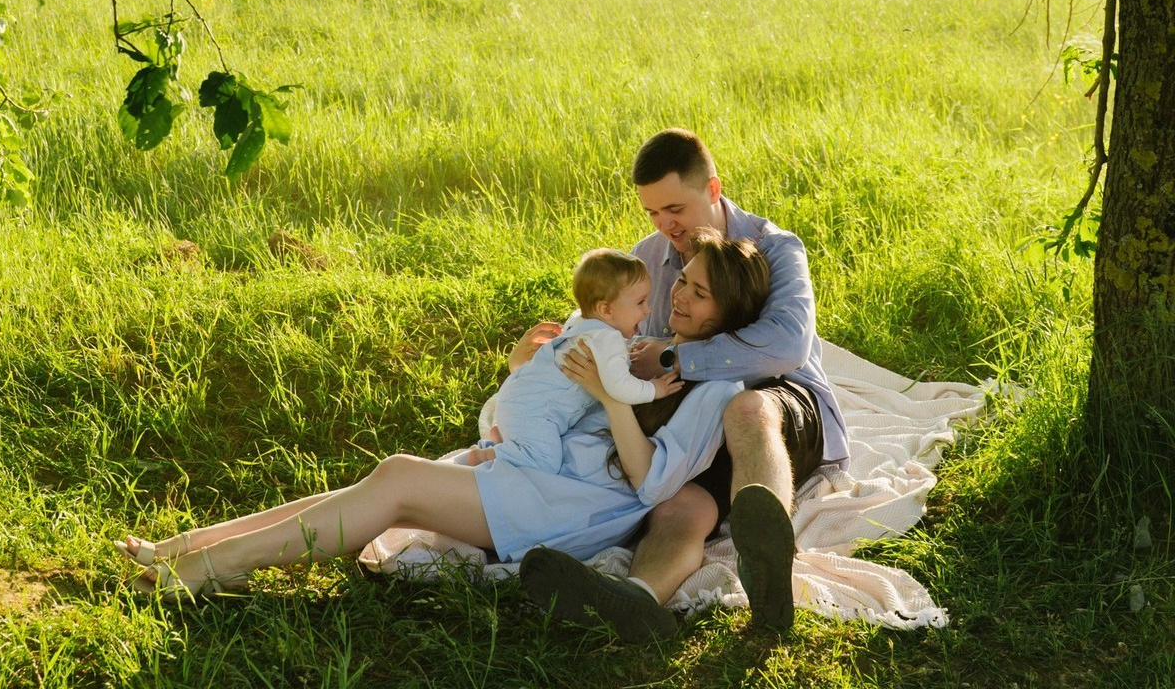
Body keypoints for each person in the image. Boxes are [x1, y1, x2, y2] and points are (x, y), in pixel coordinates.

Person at [113, 229, 771, 624]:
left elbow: (653, 485)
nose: (679, 296)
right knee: (377, 488)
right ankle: (187, 548)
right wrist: (528, 370)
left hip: (572, 504)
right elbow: (553, 401)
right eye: (683, 281)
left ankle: (208, 569)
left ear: (729, 313)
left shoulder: (719, 388)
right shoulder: (643, 341)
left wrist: (611, 397)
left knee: (397, 478)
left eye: (700, 293)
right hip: (530, 471)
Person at [513, 129, 850, 639]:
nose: (664, 225)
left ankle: (769, 567)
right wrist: (538, 362)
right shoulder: (648, 256)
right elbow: (613, 336)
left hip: (777, 398)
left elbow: (786, 346)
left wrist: (674, 356)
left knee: (747, 409)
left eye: (675, 208)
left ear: (713, 189)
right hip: (689, 415)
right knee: (682, 504)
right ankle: (638, 598)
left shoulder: (774, 248)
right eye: (652, 212)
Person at [475, 248, 683, 472]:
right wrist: (655, 389)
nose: (648, 310)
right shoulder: (607, 338)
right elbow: (620, 388)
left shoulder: (581, 323)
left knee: (541, 448)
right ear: (606, 310)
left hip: (521, 401)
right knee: (544, 462)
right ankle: (488, 455)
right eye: (640, 302)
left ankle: (506, 439)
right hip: (535, 412)